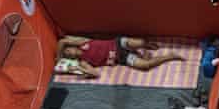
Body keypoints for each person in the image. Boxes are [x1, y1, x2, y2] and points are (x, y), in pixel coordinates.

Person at [56, 36, 184, 78]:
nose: (70, 52)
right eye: (68, 54)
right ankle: (170, 57)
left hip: (118, 43)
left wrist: (59, 57)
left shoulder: (82, 42)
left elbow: (62, 41)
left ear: (71, 46)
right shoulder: (83, 62)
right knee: (145, 66)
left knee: (140, 42)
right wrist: (76, 69)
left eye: (68, 50)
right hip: (122, 57)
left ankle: (145, 48)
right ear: (71, 59)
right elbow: (95, 73)